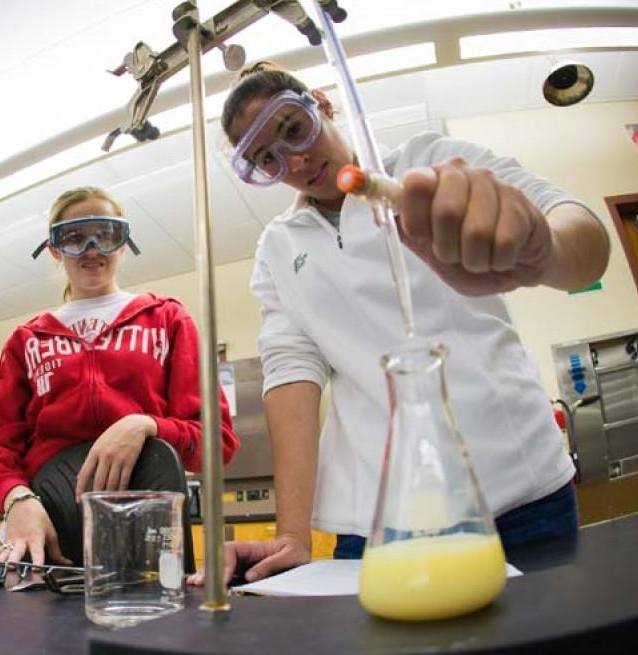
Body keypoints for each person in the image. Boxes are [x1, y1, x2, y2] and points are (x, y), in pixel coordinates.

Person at [192, 65, 609, 585]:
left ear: (320, 102)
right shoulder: (278, 247)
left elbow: (584, 238)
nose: (295, 161)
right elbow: (291, 377)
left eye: (294, 130)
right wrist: (293, 535)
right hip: (377, 520)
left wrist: (541, 250)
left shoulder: (426, 164)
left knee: (546, 654)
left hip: (516, 491)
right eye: (268, 161)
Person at [0, 186, 240, 571]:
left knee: (157, 624)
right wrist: (16, 499)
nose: (92, 248)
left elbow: (218, 443)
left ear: (124, 242)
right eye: (75, 237)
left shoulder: (167, 321)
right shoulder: (27, 340)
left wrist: (145, 424)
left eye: (105, 234)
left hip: (148, 512)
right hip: (48, 520)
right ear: (54, 249)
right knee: (36, 627)